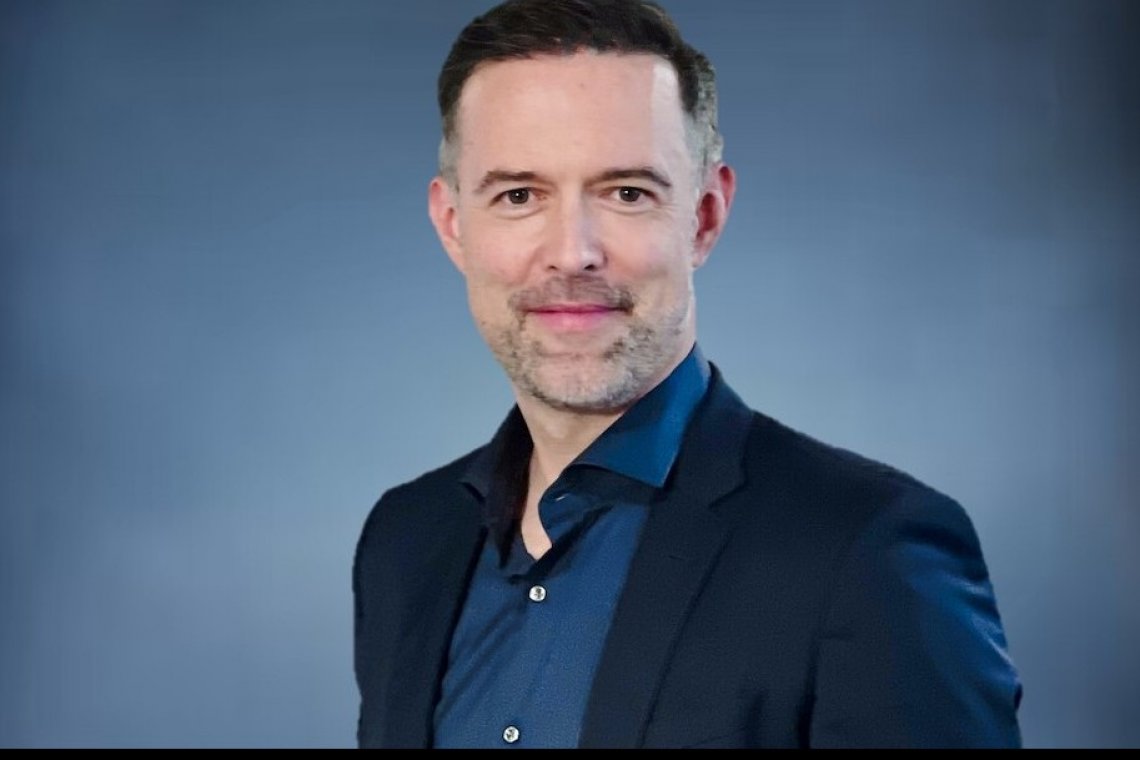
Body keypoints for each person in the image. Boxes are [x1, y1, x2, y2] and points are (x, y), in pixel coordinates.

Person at [352, 0, 1022, 748]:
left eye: (626, 193)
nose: (572, 252)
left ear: (703, 217)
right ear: (453, 226)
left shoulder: (870, 551)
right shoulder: (405, 540)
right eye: (518, 196)